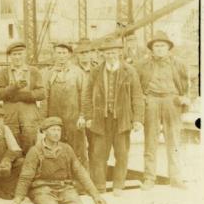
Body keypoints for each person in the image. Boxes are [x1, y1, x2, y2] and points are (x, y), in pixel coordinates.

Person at [83, 39, 144, 195]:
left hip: (122, 119)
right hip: (100, 119)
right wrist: (89, 116)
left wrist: (137, 119)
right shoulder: (96, 72)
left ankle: (118, 186)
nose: (110, 55)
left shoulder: (129, 71)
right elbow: (87, 95)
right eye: (107, 53)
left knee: (121, 153)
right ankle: (100, 187)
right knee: (98, 154)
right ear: (103, 54)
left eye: (113, 52)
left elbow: (137, 96)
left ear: (119, 53)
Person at [136, 31, 190, 189]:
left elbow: (188, 83)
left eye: (162, 45)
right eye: (156, 46)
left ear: (168, 48)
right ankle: (149, 178)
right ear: (151, 48)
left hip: (171, 100)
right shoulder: (142, 64)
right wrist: (142, 97)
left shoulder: (178, 64)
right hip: (151, 100)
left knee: (173, 139)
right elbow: (135, 84)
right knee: (150, 140)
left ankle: (175, 177)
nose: (159, 48)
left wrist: (185, 97)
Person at [0, 41, 46, 154]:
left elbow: (42, 93)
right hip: (10, 116)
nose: (17, 57)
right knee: (11, 146)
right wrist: (14, 87)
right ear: (10, 56)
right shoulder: (3, 73)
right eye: (14, 54)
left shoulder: (34, 71)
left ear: (25, 54)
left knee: (31, 146)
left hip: (30, 118)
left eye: (20, 54)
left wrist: (23, 96)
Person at [45, 43, 87, 167]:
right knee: (56, 149)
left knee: (78, 151)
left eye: (64, 53)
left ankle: (80, 180)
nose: (61, 56)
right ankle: (61, 178)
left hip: (74, 120)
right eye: (58, 53)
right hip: (55, 120)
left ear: (69, 55)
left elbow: (84, 96)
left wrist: (82, 116)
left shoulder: (78, 72)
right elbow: (44, 98)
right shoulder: (48, 73)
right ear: (54, 55)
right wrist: (44, 121)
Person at [75, 38, 100, 163]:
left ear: (91, 54)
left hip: (93, 113)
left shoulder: (98, 69)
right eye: (81, 53)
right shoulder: (73, 71)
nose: (84, 56)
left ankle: (94, 177)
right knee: (78, 147)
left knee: (95, 146)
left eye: (87, 53)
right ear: (77, 55)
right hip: (76, 113)